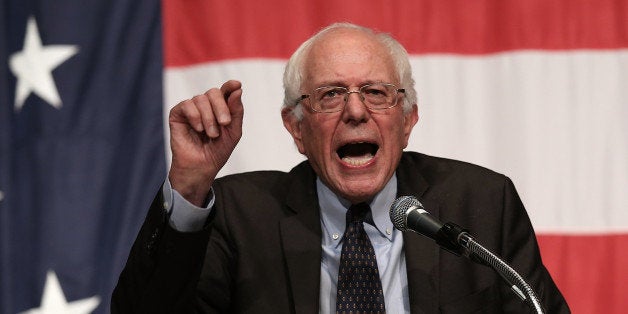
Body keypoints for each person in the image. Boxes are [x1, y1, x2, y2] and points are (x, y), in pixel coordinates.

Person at [112, 23, 570, 313]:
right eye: (330, 94)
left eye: (375, 92)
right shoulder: (239, 215)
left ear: (407, 119)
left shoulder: (481, 203)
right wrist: (189, 187)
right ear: (296, 128)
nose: (355, 112)